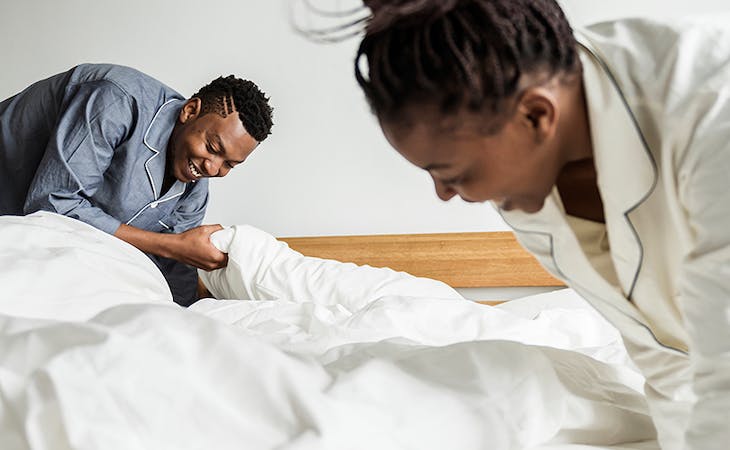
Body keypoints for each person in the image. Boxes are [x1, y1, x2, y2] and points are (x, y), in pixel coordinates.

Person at [350, 1, 730, 449]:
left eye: (452, 173)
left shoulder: (710, 109)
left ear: (535, 116)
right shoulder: (526, 184)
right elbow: (663, 350)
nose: (445, 195)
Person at [0, 64, 274, 306]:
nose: (213, 168)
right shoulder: (115, 100)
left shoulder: (193, 192)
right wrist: (171, 245)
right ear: (190, 111)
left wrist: (187, 319)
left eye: (230, 165)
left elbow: (176, 271)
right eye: (212, 147)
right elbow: (53, 204)